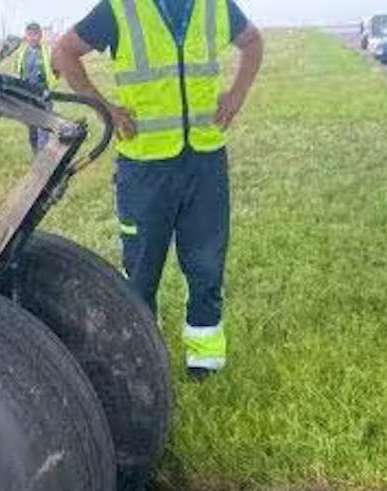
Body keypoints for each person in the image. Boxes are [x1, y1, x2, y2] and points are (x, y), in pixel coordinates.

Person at [53, 0, 264, 380]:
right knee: (141, 272)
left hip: (205, 161)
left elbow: (252, 42)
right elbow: (65, 52)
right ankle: (144, 358)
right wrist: (105, 108)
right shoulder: (120, 9)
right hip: (146, 166)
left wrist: (237, 95)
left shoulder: (213, 6)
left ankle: (205, 359)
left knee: (205, 265)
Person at [6, 22, 56, 152]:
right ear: (26, 36)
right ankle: (36, 153)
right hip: (27, 96)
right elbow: (18, 73)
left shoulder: (47, 52)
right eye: (30, 35)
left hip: (43, 95)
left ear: (40, 35)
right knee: (32, 126)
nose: (33, 37)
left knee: (44, 126)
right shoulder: (22, 54)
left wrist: (51, 85)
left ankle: (43, 155)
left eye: (35, 34)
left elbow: (56, 70)